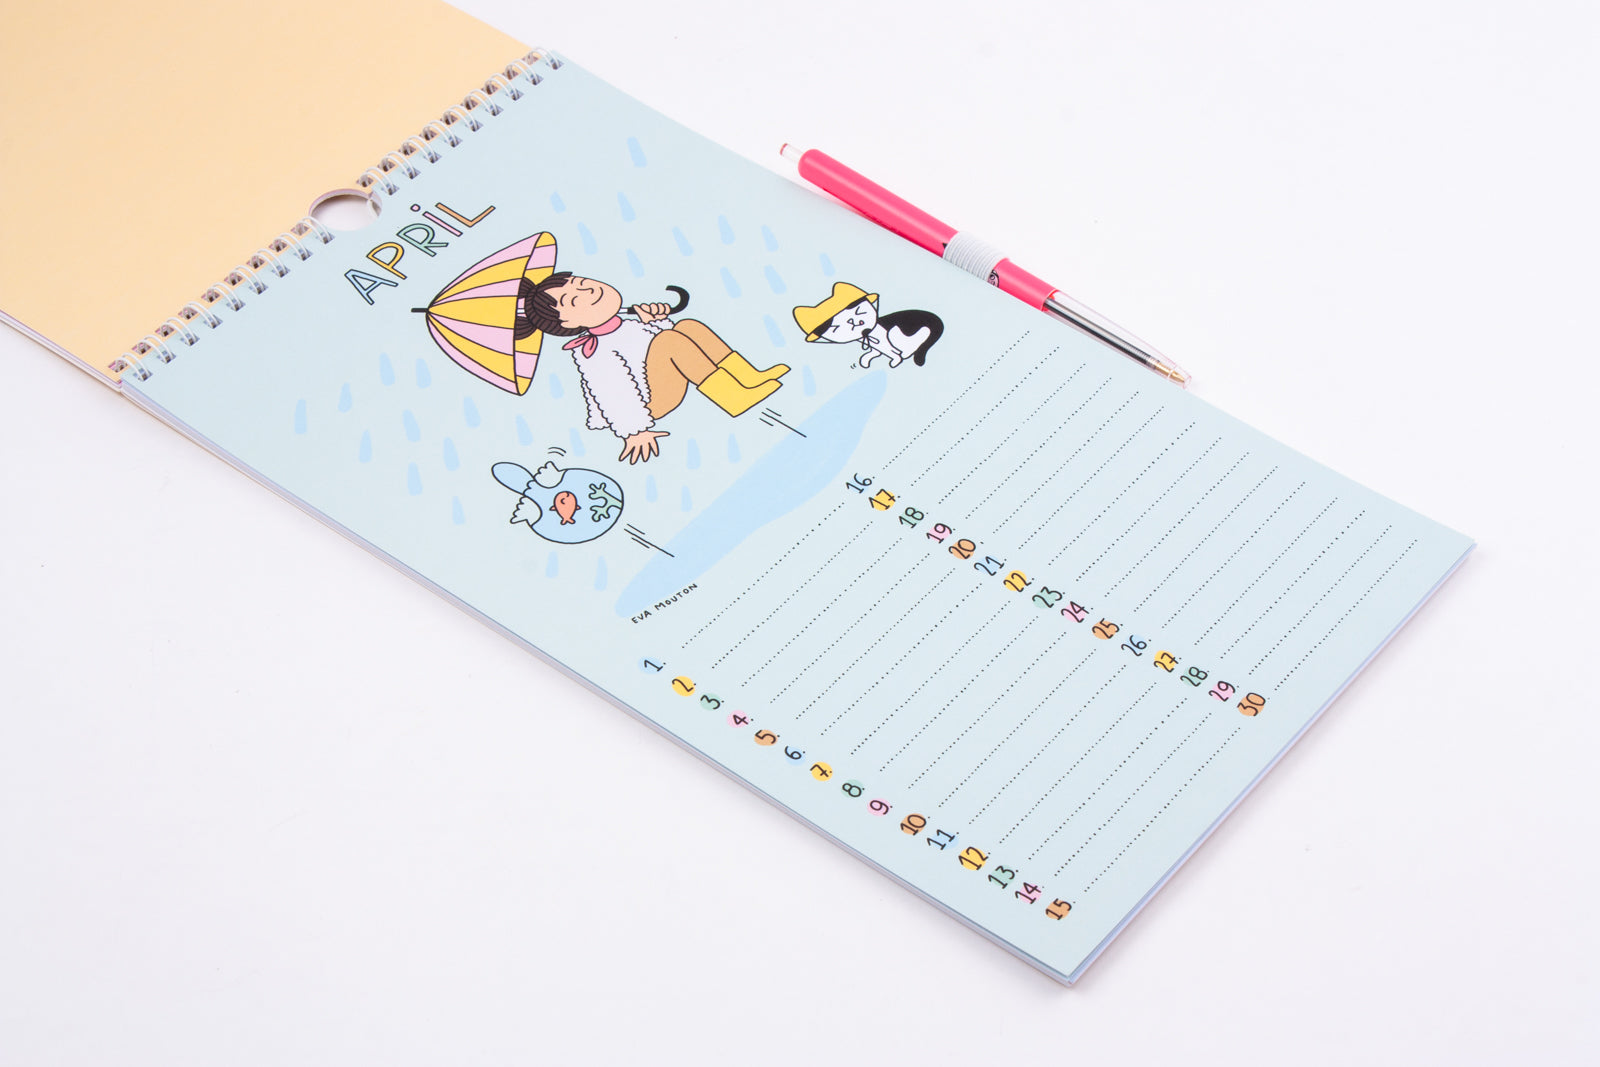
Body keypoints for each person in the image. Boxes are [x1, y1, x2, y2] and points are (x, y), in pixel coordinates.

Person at [523, 272, 788, 463]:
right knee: (669, 341)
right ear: (568, 323)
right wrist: (633, 431)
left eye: (582, 284)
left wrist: (655, 321)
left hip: (656, 382)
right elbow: (613, 394)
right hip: (645, 405)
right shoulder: (594, 352)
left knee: (688, 327)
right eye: (572, 301)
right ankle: (733, 397)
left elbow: (660, 347)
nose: (588, 292)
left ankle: (747, 377)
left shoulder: (626, 323)